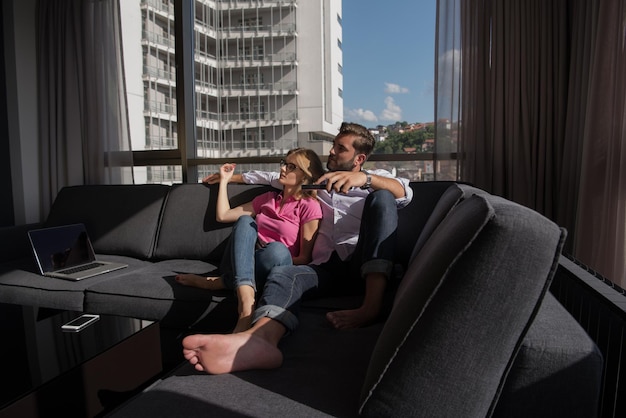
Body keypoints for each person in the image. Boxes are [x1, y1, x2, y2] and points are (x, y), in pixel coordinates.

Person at [183, 122, 413, 374]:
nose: (332, 152)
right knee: (285, 273)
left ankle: (370, 307)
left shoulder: (375, 178)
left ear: (359, 158)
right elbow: (272, 177)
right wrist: (228, 178)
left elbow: (404, 191)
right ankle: (259, 340)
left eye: (340, 148)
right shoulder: (315, 183)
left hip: (361, 263)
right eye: (334, 146)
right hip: (325, 269)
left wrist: (366, 179)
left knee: (382, 198)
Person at [176, 147, 325, 333]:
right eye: (284, 164)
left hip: (273, 266)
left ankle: (224, 282)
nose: (283, 169)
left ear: (304, 176)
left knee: (277, 250)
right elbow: (223, 215)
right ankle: (246, 304)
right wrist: (224, 181)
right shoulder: (268, 199)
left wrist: (265, 256)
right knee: (246, 220)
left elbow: (304, 258)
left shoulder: (309, 207)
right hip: (239, 260)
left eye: (291, 166)